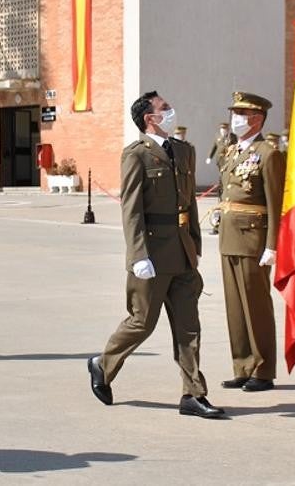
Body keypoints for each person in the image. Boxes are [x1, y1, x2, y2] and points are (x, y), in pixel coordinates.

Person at [87, 91, 225, 419]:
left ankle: (193, 393)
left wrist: (194, 243)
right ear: (150, 118)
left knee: (189, 326)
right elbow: (131, 210)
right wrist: (138, 255)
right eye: (165, 108)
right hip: (151, 254)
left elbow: (188, 202)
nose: (171, 110)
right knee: (141, 323)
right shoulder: (136, 155)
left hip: (182, 253)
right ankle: (101, 365)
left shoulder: (183, 151)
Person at [218, 92, 282, 392]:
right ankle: (242, 364)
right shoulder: (232, 151)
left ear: (257, 118)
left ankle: (264, 368)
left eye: (241, 113)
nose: (236, 118)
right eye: (234, 113)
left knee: (256, 306)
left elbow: (275, 202)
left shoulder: (268, 154)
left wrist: (273, 245)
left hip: (253, 239)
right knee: (235, 307)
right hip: (230, 237)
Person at [207, 122, 235, 235]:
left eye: (225, 128)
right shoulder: (218, 137)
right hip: (220, 165)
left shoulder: (232, 138)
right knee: (221, 191)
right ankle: (218, 223)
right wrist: (209, 157)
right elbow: (213, 148)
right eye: (222, 128)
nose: (223, 130)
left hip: (228, 166)